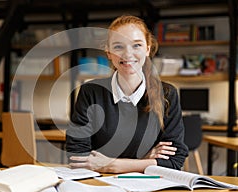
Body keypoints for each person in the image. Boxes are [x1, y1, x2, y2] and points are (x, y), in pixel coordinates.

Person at [65, 15, 188, 173]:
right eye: (118, 47)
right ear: (108, 52)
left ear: (148, 49)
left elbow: (175, 160)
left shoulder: (167, 94)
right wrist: (145, 160)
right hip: (100, 185)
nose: (128, 54)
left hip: (147, 188)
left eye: (136, 45)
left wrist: (112, 164)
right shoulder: (90, 92)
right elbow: (77, 156)